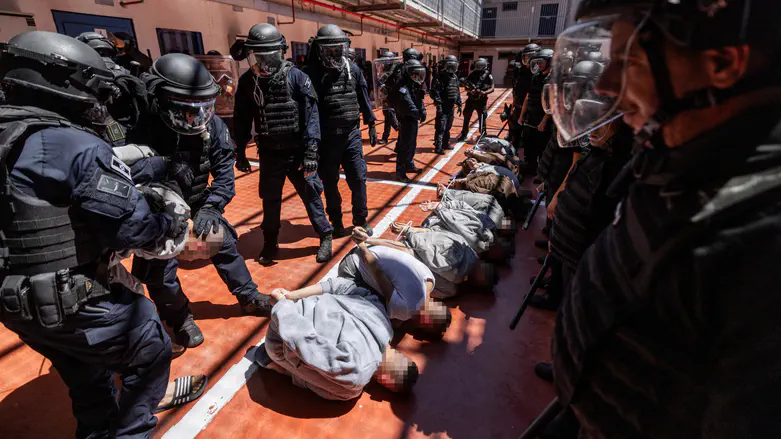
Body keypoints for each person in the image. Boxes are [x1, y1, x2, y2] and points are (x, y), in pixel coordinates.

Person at [546, 0, 781, 437]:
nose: (606, 83)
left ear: (723, 63)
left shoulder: (761, 242)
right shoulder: (680, 156)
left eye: (628, 60)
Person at [0, 31, 204, 439]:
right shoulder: (73, 144)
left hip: (14, 302)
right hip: (66, 297)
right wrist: (176, 228)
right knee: (148, 344)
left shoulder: (11, 133)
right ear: (66, 83)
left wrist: (154, 166)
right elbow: (136, 227)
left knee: (87, 376)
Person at [127, 53, 273, 348]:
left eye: (203, 109)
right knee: (161, 271)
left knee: (225, 244)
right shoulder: (139, 128)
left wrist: (212, 206)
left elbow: (223, 174)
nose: (197, 117)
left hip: (197, 201)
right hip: (157, 211)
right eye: (187, 110)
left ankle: (248, 296)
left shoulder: (213, 127)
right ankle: (179, 319)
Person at [231, 23, 333, 265]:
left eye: (269, 53)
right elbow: (242, 119)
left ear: (280, 51)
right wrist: (240, 152)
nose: (265, 59)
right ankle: (270, 242)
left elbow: (311, 117)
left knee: (311, 196)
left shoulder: (297, 77)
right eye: (260, 54)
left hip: (297, 152)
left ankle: (326, 235)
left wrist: (311, 151)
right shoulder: (248, 82)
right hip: (269, 152)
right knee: (270, 198)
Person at [255, 275, 422, 400]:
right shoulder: (357, 373)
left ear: (402, 355)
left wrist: (291, 296)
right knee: (346, 393)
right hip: (280, 335)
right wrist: (282, 307)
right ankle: (278, 367)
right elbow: (305, 342)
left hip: (301, 303)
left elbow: (343, 286)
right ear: (387, 382)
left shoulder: (383, 321)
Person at [304, 25, 377, 237]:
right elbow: (309, 110)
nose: (334, 54)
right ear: (320, 50)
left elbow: (363, 98)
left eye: (338, 49)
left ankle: (361, 219)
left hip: (351, 135)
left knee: (358, 179)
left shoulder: (352, 70)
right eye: (329, 50)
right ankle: (335, 221)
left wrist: (371, 124)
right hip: (327, 140)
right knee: (330, 183)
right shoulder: (312, 74)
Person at [518, 48, 553, 175]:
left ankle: (541, 173)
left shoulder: (553, 79)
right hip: (531, 117)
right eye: (537, 62)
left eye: (541, 62)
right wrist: (522, 116)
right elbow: (528, 97)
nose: (538, 65)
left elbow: (553, 104)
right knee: (528, 145)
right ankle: (530, 168)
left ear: (550, 61)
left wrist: (544, 121)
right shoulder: (536, 77)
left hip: (543, 119)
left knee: (542, 148)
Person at [391, 58, 427, 183]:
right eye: (415, 73)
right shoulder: (402, 86)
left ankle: (409, 164)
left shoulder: (414, 84)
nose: (418, 76)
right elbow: (407, 102)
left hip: (413, 119)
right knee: (404, 146)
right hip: (406, 119)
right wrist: (417, 112)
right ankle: (400, 172)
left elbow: (419, 99)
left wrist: (423, 110)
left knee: (412, 144)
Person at [430, 55, 462, 154]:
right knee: (441, 127)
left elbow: (457, 90)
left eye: (454, 65)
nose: (452, 67)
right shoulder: (440, 76)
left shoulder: (455, 77)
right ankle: (438, 146)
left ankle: (445, 143)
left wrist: (459, 103)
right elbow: (435, 92)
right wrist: (438, 105)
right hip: (443, 106)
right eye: (450, 65)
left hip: (451, 106)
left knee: (448, 126)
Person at [509, 43, 540, 144]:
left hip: (531, 111)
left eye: (530, 57)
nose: (527, 60)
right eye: (525, 57)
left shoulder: (539, 73)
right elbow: (516, 90)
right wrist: (513, 105)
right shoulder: (519, 71)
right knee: (515, 132)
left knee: (529, 138)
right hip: (518, 107)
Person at [457, 58, 494, 141]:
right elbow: (466, 86)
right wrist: (471, 90)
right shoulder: (472, 74)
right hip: (471, 100)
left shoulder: (488, 75)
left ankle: (483, 135)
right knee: (466, 117)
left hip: (481, 101)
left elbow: (492, 88)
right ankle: (464, 134)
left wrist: (484, 93)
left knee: (482, 118)